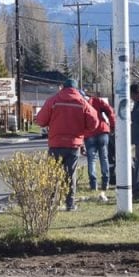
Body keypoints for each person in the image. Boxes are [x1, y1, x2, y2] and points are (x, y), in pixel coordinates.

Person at [35, 78, 100, 211]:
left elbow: (41, 120)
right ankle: (70, 204)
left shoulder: (53, 100)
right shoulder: (82, 102)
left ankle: (51, 203)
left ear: (62, 87)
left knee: (53, 174)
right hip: (73, 145)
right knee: (70, 174)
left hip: (55, 144)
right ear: (76, 89)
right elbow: (94, 123)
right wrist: (83, 131)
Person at [84, 90, 116, 193]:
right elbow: (110, 110)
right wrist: (112, 125)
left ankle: (93, 184)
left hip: (89, 133)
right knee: (104, 157)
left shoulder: (81, 103)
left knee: (91, 159)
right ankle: (105, 182)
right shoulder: (97, 101)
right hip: (102, 131)